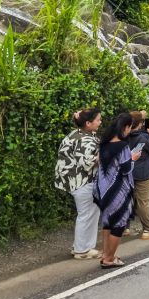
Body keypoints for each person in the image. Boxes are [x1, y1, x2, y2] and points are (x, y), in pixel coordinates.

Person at [54, 108, 103, 259]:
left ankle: (81, 246)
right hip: (82, 181)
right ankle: (82, 250)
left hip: (74, 180)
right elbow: (87, 163)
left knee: (88, 213)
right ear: (88, 123)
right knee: (87, 214)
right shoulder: (84, 140)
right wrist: (105, 154)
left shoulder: (77, 134)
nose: (100, 122)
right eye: (98, 120)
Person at [94, 112, 141, 268]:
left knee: (107, 222)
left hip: (103, 190)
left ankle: (105, 254)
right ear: (125, 127)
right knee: (119, 224)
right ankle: (109, 259)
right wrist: (133, 159)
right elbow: (126, 169)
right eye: (129, 127)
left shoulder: (104, 144)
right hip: (118, 191)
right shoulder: (122, 146)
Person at [129, 111, 149, 240]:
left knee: (127, 201)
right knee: (143, 202)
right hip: (143, 174)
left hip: (127, 172)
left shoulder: (123, 136)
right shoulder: (144, 138)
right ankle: (148, 229)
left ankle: (124, 228)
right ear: (140, 124)